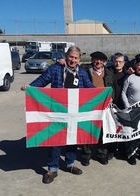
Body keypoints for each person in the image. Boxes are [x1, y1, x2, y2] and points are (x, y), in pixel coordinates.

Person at [21, 46, 94, 184]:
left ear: (79, 59)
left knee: (72, 139)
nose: (73, 60)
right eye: (71, 57)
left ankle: (70, 164)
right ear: (66, 56)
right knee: (56, 140)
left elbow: (90, 88)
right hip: (58, 111)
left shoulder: (82, 73)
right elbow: (43, 80)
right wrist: (30, 87)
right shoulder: (56, 69)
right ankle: (52, 169)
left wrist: (104, 95)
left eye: (76, 58)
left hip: (74, 112)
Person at [81, 51, 114, 166]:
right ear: (92, 60)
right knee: (88, 130)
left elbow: (113, 87)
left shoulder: (109, 72)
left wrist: (111, 98)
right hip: (89, 106)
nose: (98, 62)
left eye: (100, 60)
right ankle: (86, 154)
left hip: (104, 106)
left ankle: (102, 154)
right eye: (96, 59)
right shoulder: (85, 71)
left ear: (104, 61)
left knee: (103, 130)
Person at [121, 57, 140, 165]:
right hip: (131, 109)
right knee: (131, 132)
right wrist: (127, 106)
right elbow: (123, 93)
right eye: (139, 65)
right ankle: (131, 154)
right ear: (136, 66)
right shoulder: (130, 77)